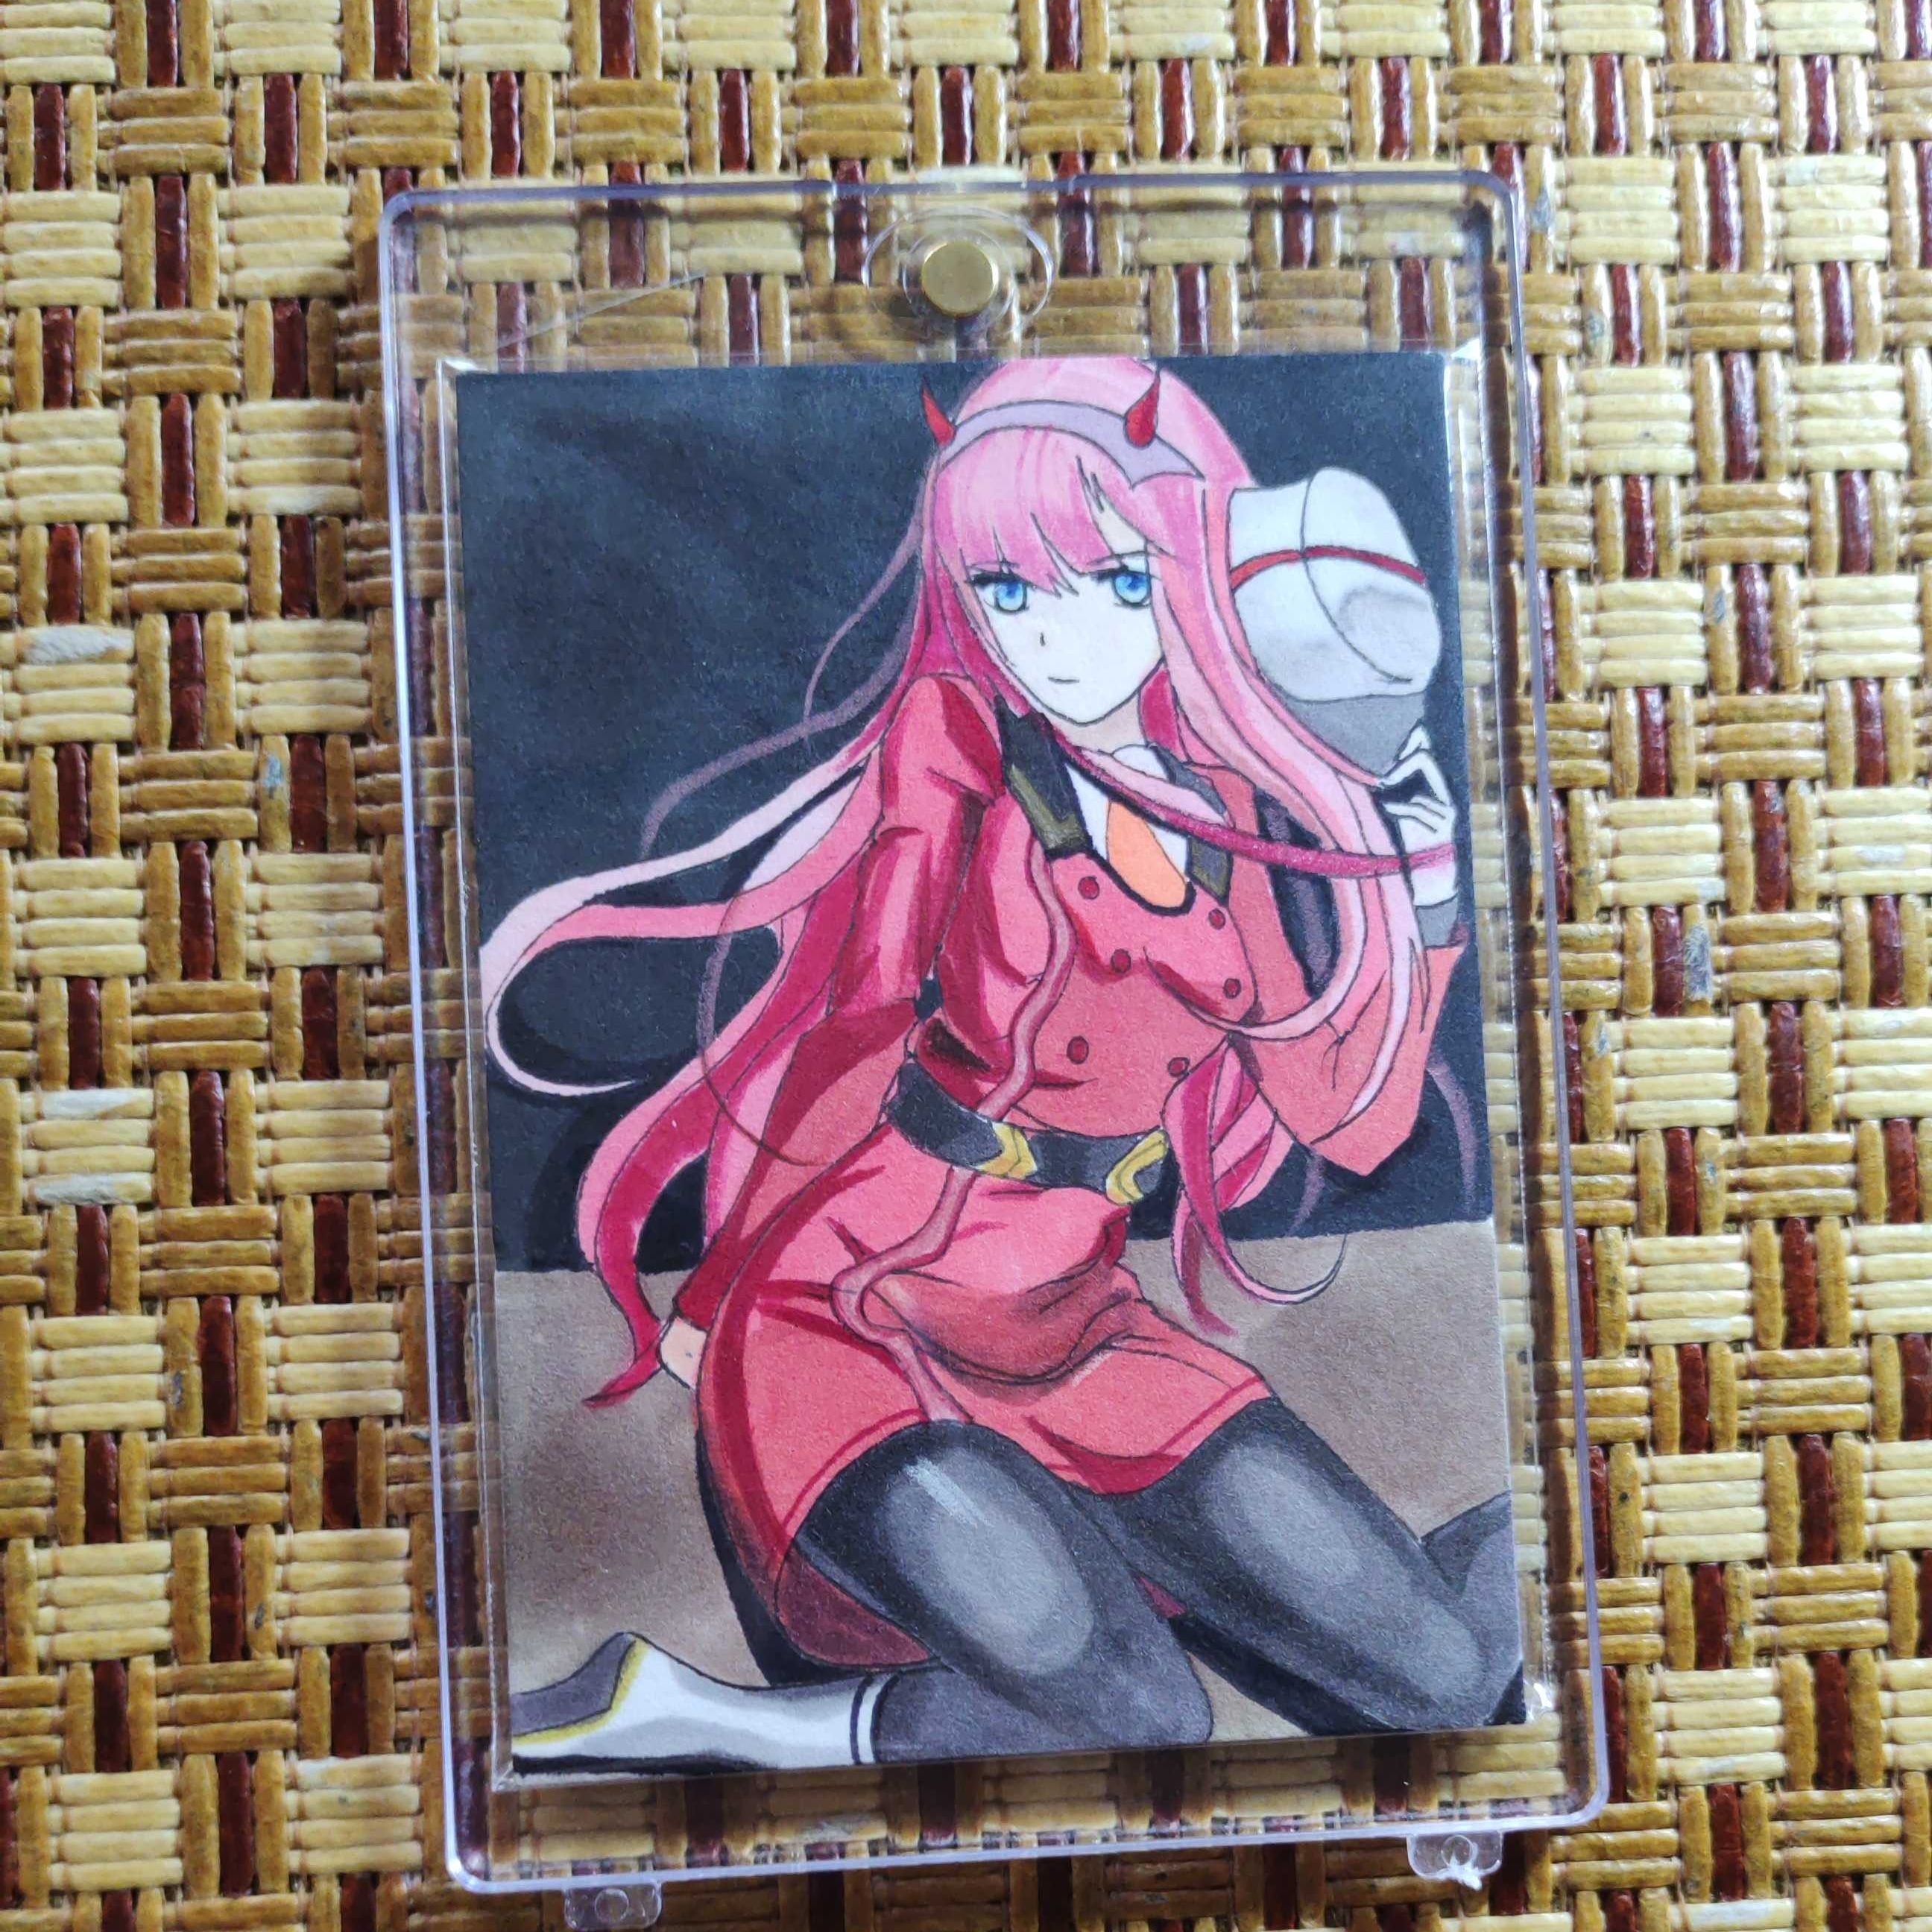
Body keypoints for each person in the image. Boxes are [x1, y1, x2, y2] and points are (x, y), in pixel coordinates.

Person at [486, 357, 1522, 1772]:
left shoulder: (1238, 812)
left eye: (1115, 580)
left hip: (1082, 1325)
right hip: (856, 1314)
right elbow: (856, 1023)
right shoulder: (962, 743)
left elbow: (1348, 1117)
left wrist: (1427, 887)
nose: (1059, 641)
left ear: (1195, 572)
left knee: (1447, 1679)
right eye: (1008, 593)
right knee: (1136, 1718)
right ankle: (688, 1716)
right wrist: (718, 1295)